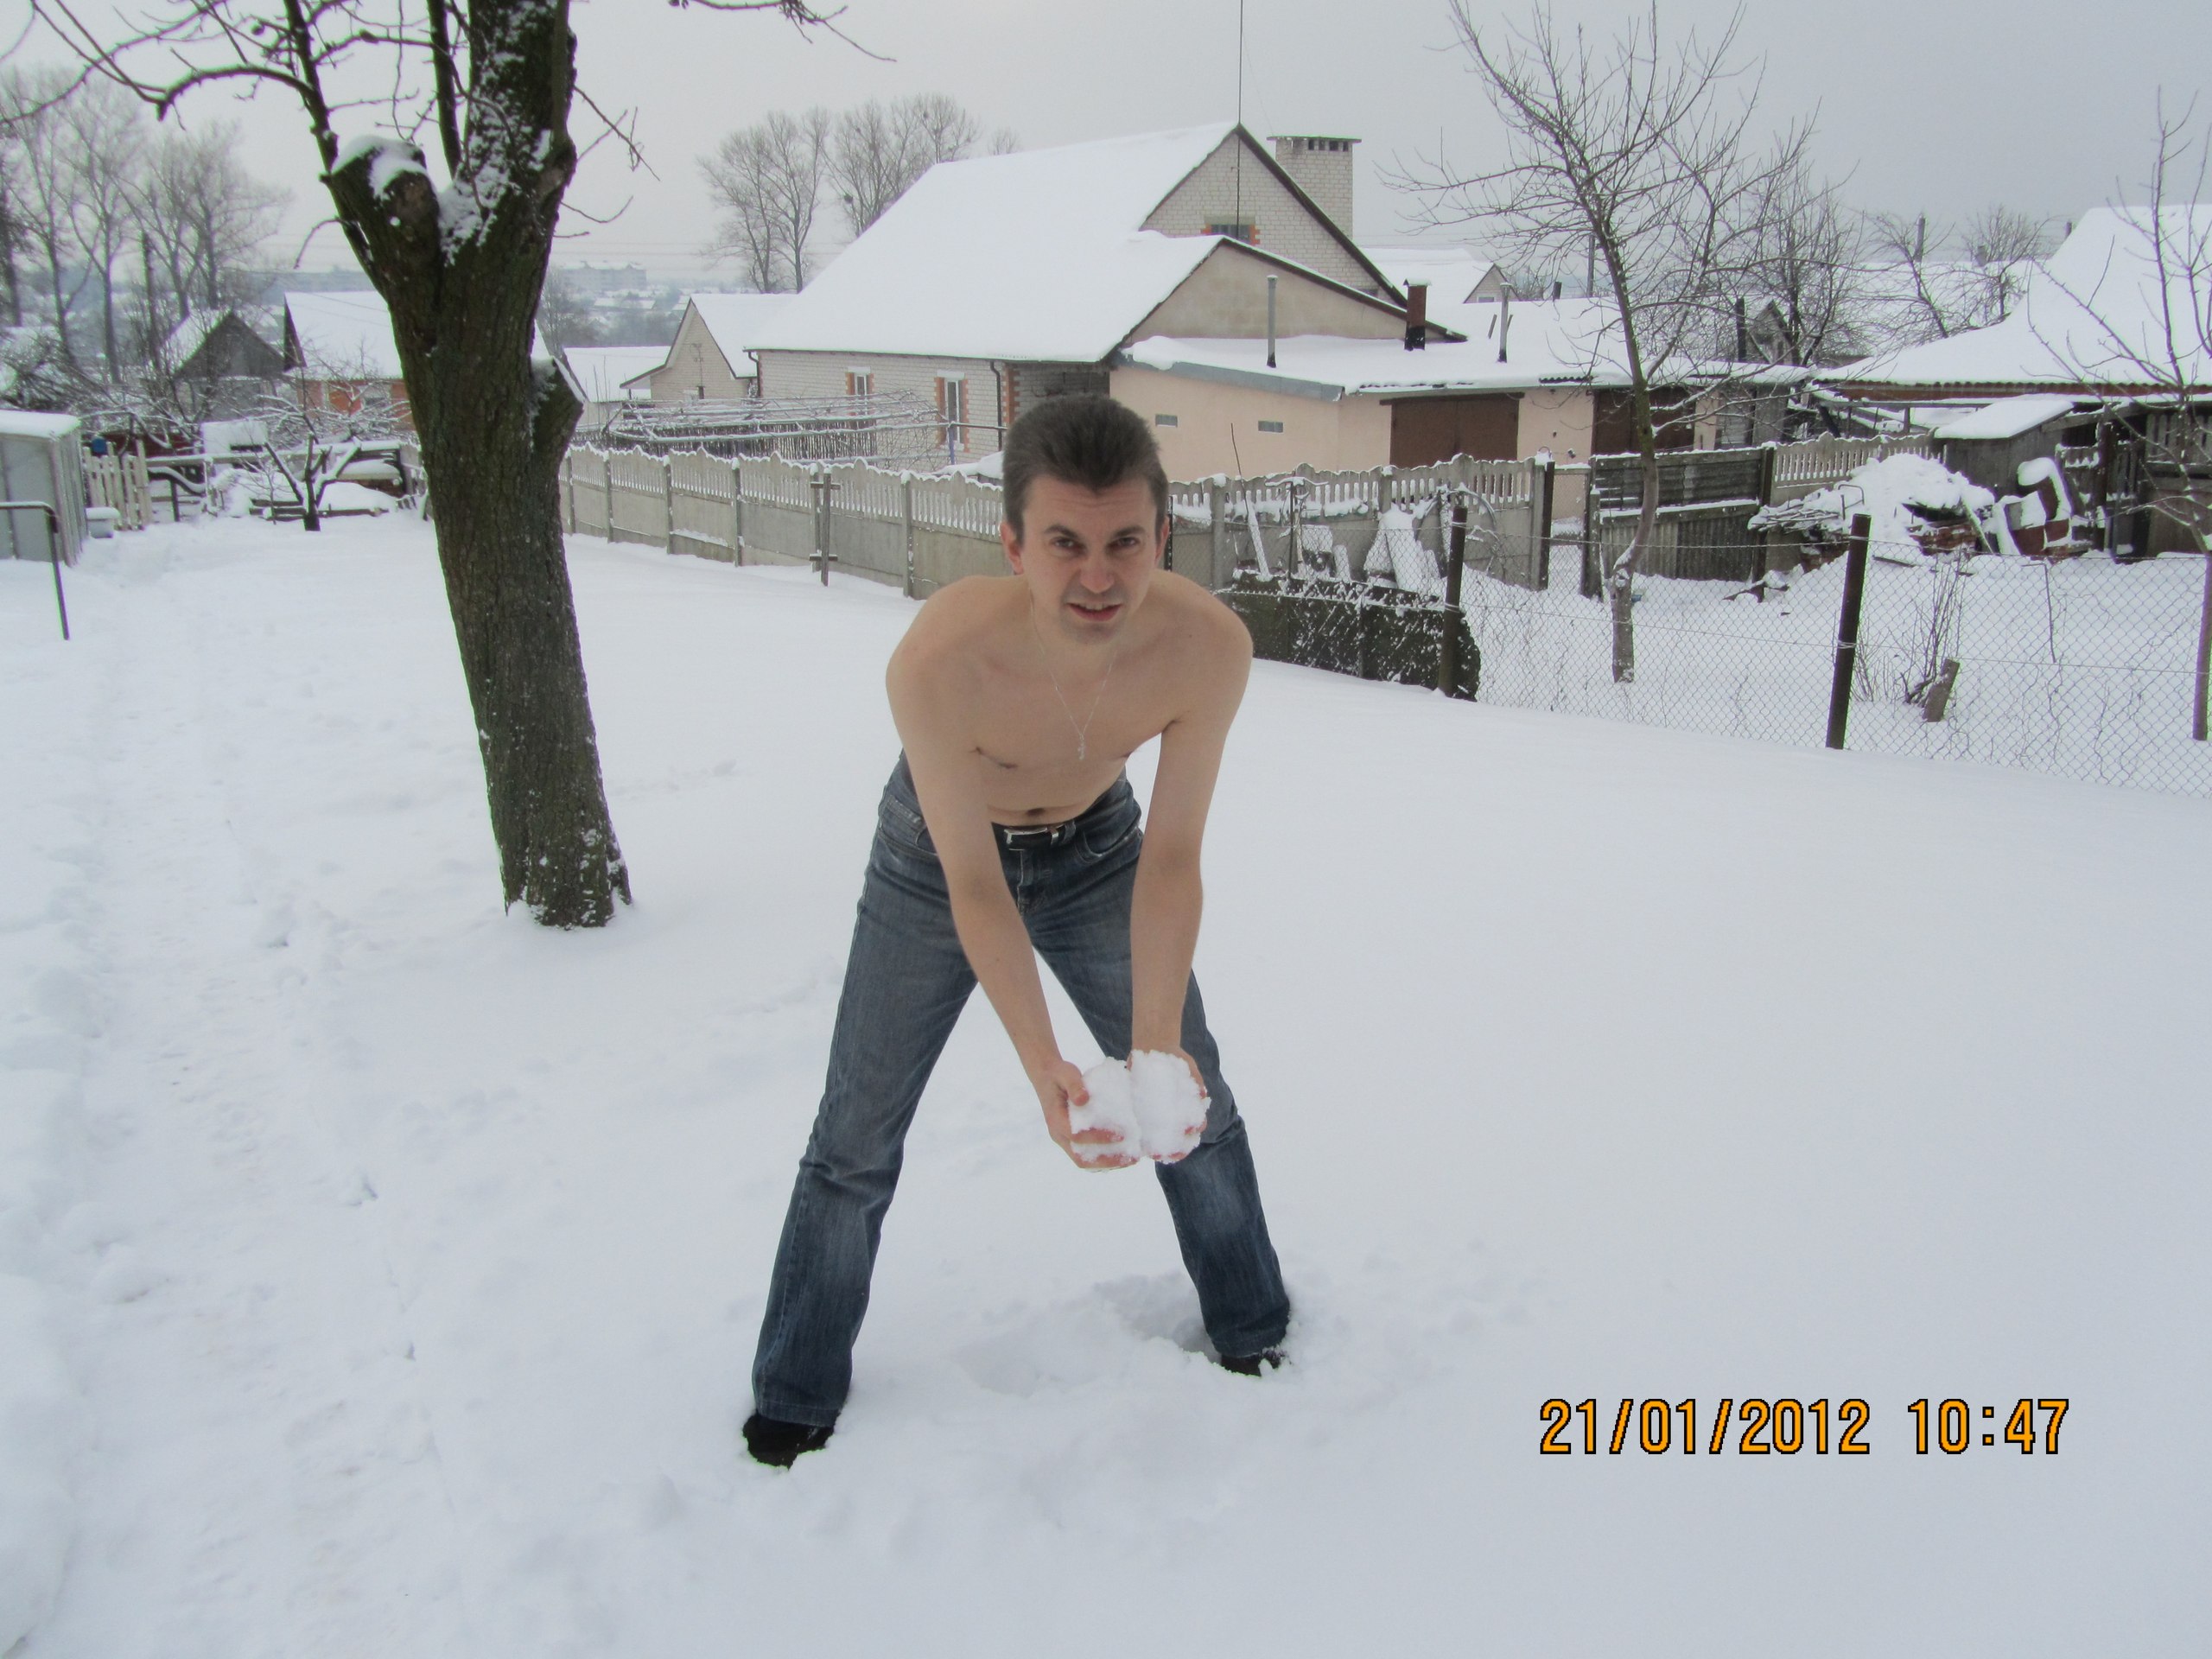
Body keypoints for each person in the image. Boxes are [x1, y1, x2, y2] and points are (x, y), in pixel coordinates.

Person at [744, 395, 1290, 1467]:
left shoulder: (1206, 648)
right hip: (934, 861)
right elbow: (974, 886)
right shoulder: (939, 661)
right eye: (1065, 543)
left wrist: (1153, 1041)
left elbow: (1174, 859)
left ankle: (1253, 1326)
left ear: (1162, 535)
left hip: (1103, 851)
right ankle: (796, 1386)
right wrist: (1046, 1068)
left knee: (1193, 1099)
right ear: (1012, 544)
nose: (1098, 576)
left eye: (1124, 542)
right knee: (855, 1134)